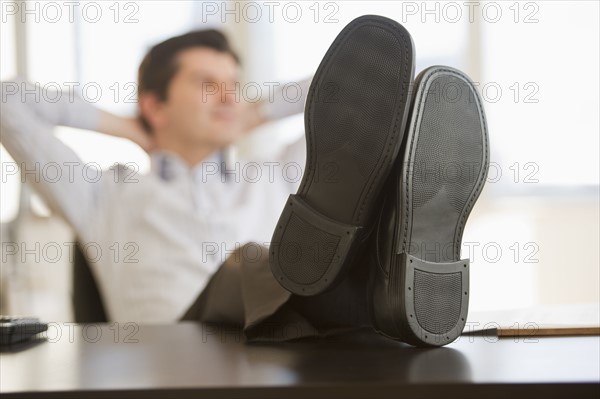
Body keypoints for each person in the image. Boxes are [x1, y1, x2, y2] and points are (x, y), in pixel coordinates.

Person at [2, 15, 490, 347]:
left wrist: (256, 112)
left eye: (234, 87)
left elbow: (389, 88)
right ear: (155, 104)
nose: (228, 98)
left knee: (334, 197)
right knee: (254, 259)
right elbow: (8, 101)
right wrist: (129, 127)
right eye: (207, 85)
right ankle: (385, 281)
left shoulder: (272, 174)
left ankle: (382, 252)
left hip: (279, 337)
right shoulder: (101, 194)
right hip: (179, 345)